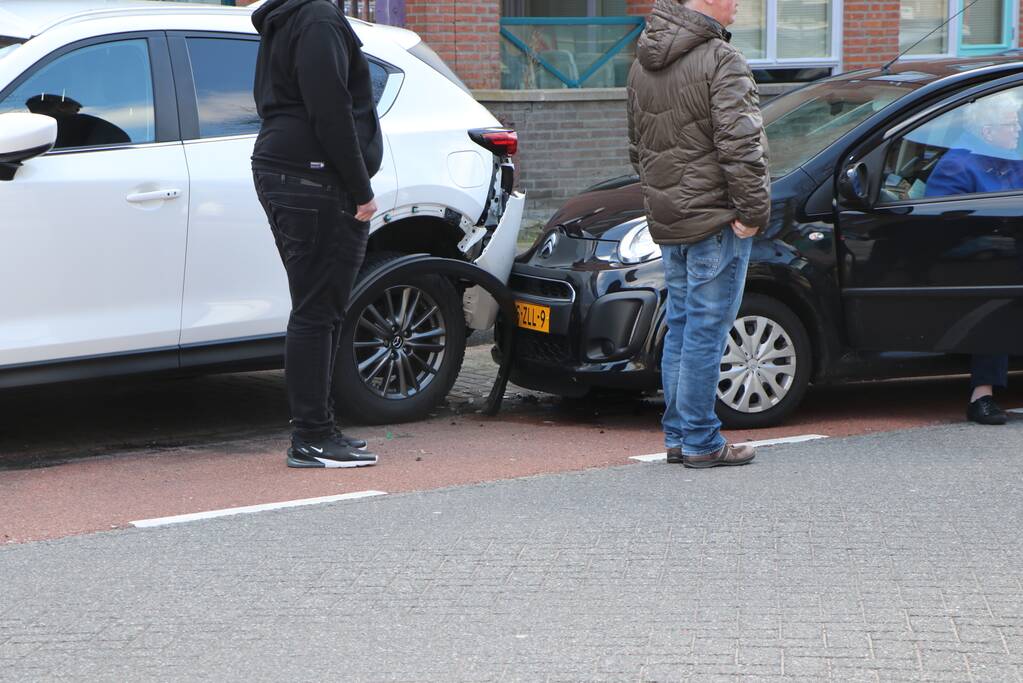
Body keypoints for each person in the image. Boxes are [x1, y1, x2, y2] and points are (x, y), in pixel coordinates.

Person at [627, 0, 770, 468]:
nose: (739, 3)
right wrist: (753, 211)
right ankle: (702, 440)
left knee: (682, 327)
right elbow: (741, 143)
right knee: (706, 331)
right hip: (716, 220)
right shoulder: (721, 59)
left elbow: (638, 149)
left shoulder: (642, 61)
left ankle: (678, 435)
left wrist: (664, 200)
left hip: (671, 219)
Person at [251, 0, 383, 468]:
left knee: (315, 307)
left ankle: (319, 431)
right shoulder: (318, 19)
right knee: (317, 310)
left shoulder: (287, 17)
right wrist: (361, 189)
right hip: (314, 176)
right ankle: (312, 437)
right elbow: (331, 108)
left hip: (286, 168)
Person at [924, 91, 1023, 426]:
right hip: (968, 260)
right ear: (987, 131)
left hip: (1011, 253)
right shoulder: (958, 165)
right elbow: (938, 226)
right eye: (1011, 125)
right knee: (998, 287)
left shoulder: (1012, 157)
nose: (1018, 130)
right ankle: (982, 395)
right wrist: (989, 240)